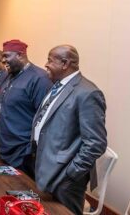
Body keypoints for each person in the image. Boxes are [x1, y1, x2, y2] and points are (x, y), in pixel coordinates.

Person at [33, 45, 107, 214]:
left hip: (65, 176)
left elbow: (96, 143)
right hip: (47, 168)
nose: (46, 64)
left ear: (65, 63)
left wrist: (71, 174)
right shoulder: (57, 85)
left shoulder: (88, 92)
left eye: (50, 60)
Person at [0, 40, 51, 178]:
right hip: (5, 145)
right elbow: (2, 104)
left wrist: (30, 149)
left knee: (23, 189)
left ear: (20, 55)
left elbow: (43, 118)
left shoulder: (39, 78)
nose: (3, 60)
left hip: (23, 150)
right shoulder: (9, 75)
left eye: (7, 56)